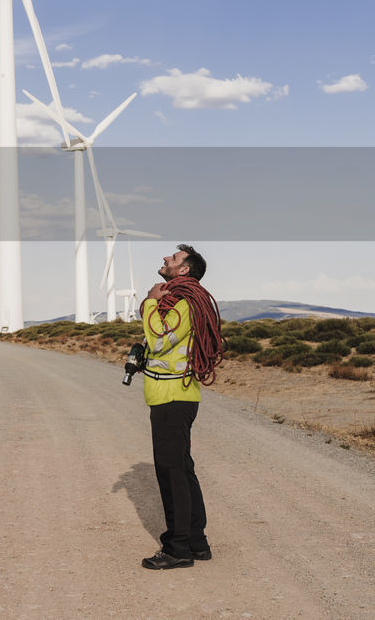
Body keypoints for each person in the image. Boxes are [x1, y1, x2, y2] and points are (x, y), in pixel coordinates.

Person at [137, 243, 224, 570]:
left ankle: (177, 549)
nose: (164, 259)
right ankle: (197, 542)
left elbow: (160, 340)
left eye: (172, 258)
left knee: (171, 474)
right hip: (174, 396)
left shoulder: (185, 301)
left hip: (173, 397)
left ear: (184, 270)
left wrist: (148, 302)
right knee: (182, 471)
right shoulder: (183, 300)